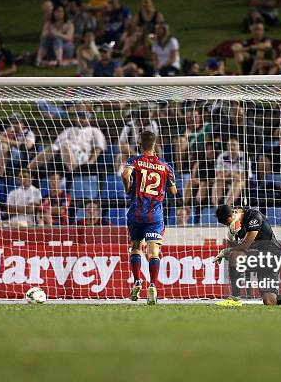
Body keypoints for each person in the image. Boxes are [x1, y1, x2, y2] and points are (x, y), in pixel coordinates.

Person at [121, 130, 178, 305]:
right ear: (155, 145)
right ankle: (152, 285)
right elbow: (174, 191)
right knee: (153, 252)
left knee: (136, 248)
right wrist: (166, 186)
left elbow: (125, 174)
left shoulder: (135, 161)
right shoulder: (165, 166)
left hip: (136, 214)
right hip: (155, 215)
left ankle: (137, 280)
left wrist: (128, 188)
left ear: (140, 144)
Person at [28, 110, 107, 175]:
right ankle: (28, 169)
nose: (81, 120)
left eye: (84, 118)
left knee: (64, 145)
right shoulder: (69, 129)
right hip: (65, 153)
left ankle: (73, 172)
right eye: (79, 117)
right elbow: (57, 144)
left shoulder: (94, 130)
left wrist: (91, 161)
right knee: (53, 147)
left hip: (82, 156)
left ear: (89, 119)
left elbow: (99, 147)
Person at [0, 112, 36, 177]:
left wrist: (8, 141)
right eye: (13, 123)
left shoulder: (28, 133)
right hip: (0, 155)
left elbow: (26, 146)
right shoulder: (8, 131)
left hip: (19, 157)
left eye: (17, 123)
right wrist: (6, 135)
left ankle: (0, 175)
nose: (15, 125)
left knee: (3, 146)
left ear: (22, 123)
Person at [212, 138, 246, 207]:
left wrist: (228, 173)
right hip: (227, 180)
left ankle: (226, 206)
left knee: (237, 182)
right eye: (229, 145)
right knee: (218, 181)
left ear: (239, 146)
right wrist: (232, 173)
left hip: (243, 182)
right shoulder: (222, 156)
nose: (231, 147)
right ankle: (216, 206)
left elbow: (242, 177)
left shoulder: (244, 157)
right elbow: (219, 175)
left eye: (234, 145)